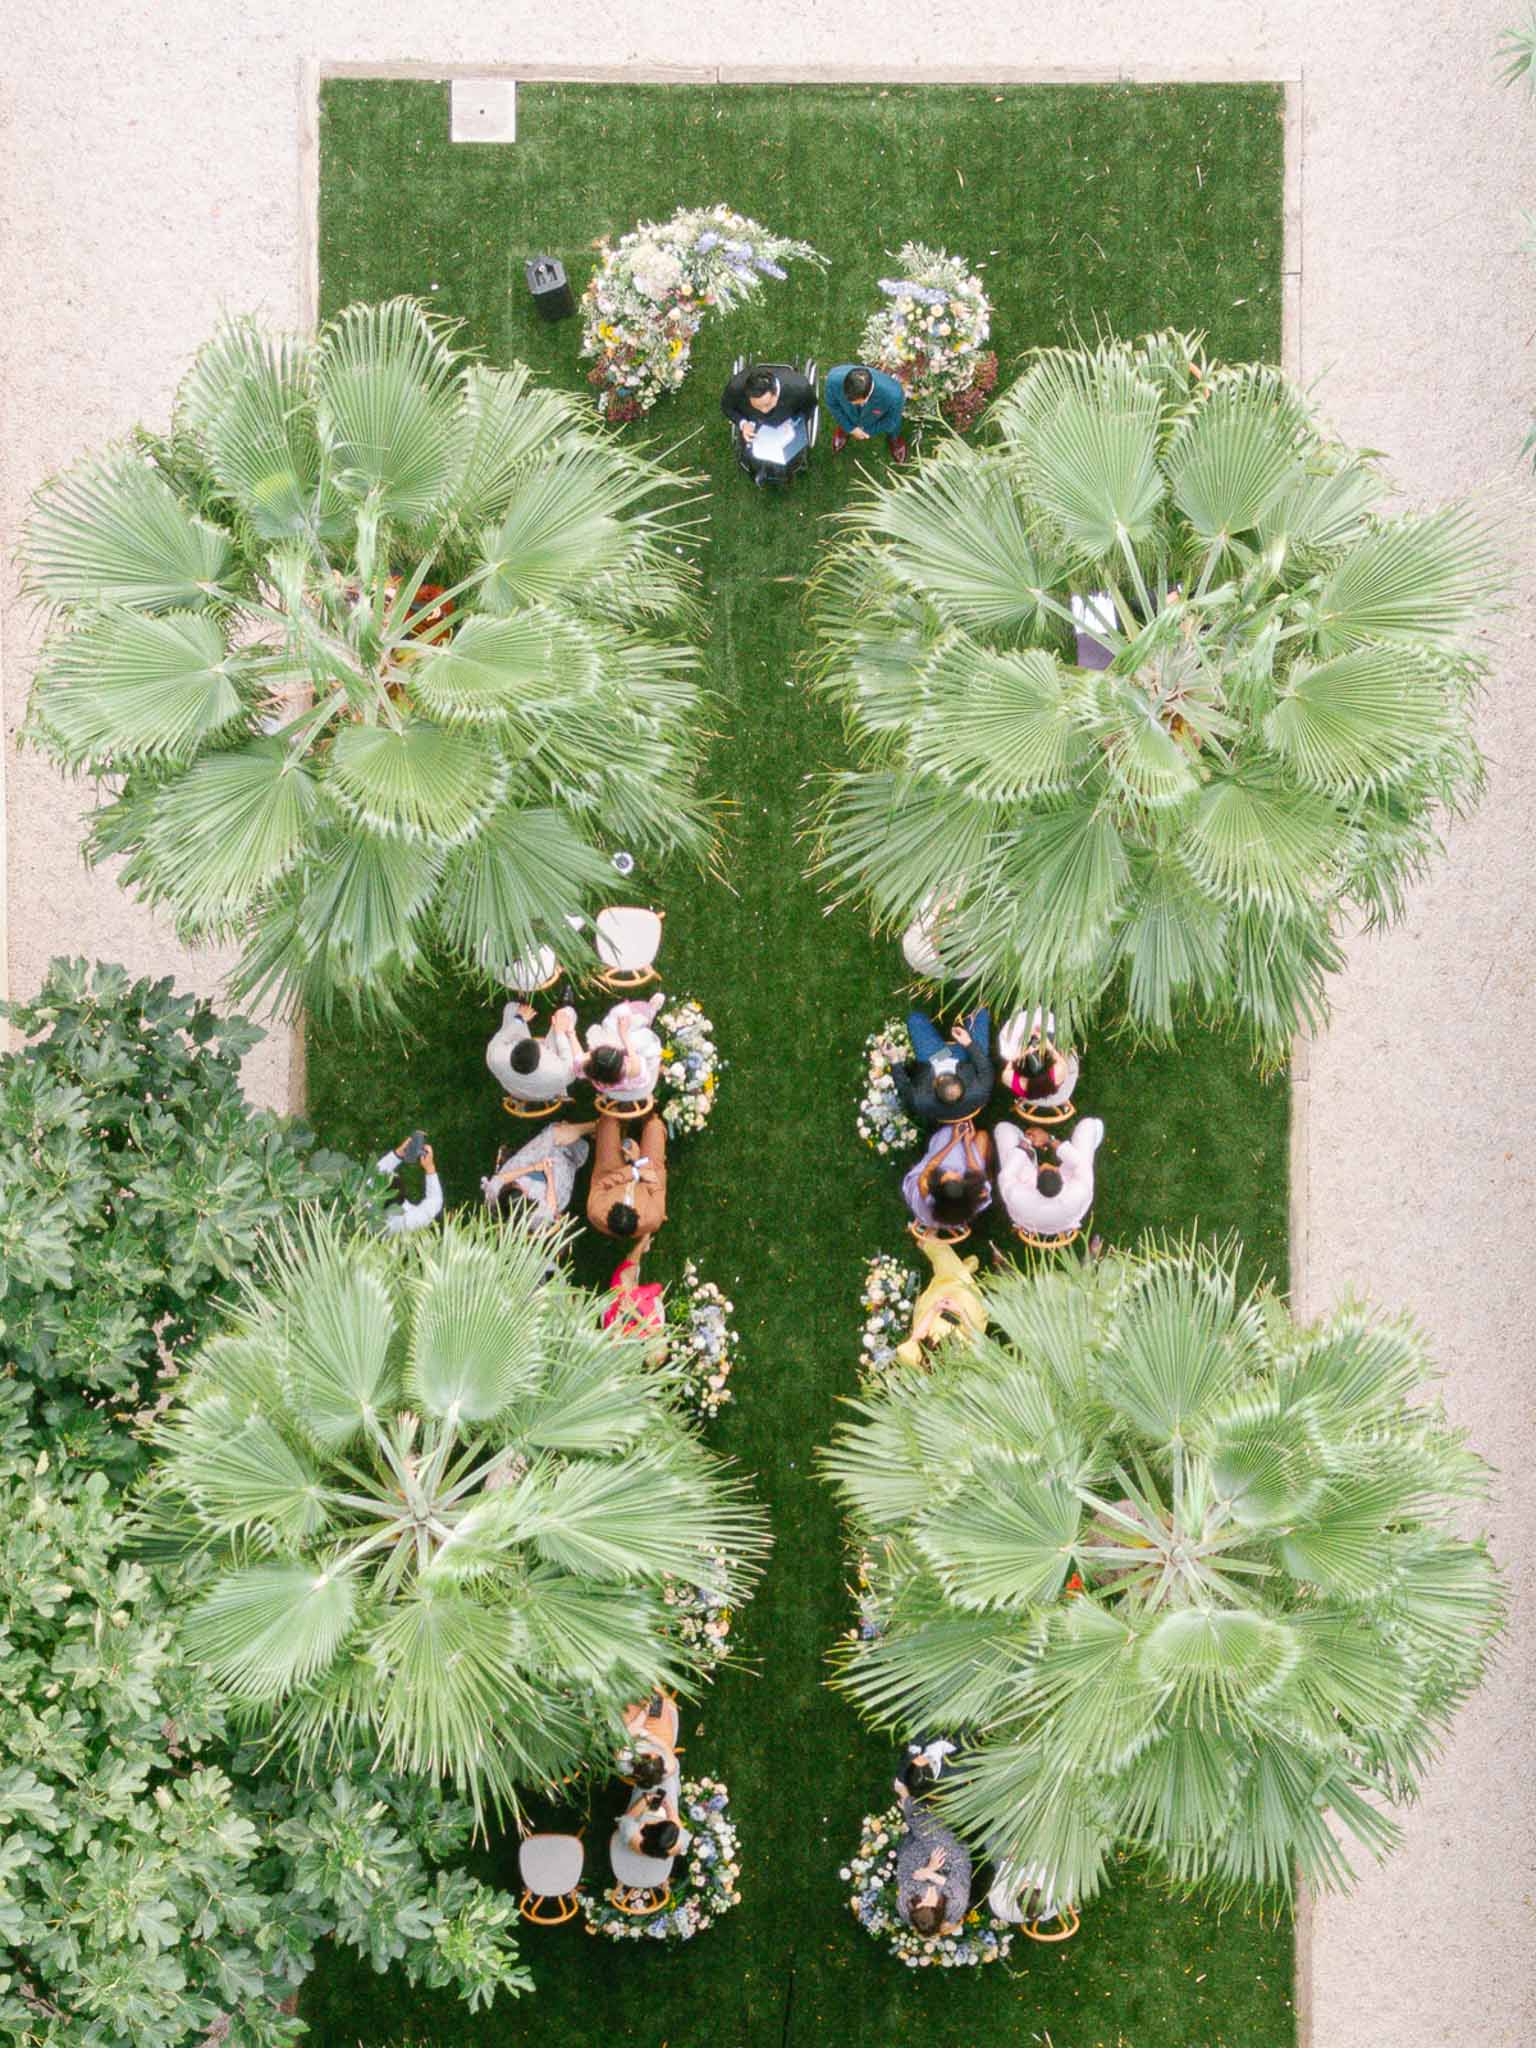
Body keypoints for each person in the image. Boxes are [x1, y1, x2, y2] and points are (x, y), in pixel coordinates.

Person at [994, 1116, 1104, 1237]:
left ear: (1036, 1179)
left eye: (1042, 1167)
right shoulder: (1079, 1190)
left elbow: (1007, 1174)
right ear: (1061, 1176)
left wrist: (1026, 1143)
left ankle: (1025, 1143)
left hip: (1027, 1214)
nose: (1045, 1164)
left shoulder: (1017, 1195)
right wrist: (1049, 1139)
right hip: (1067, 1215)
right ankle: (1093, 1135)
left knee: (1003, 1129)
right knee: (1089, 1124)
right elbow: (1080, 1163)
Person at [894, 1232, 988, 1368]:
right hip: (966, 1314)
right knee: (959, 1281)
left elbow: (917, 1336)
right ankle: (931, 1241)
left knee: (947, 1279)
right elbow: (974, 1335)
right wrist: (960, 1310)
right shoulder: (959, 1356)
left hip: (932, 1314)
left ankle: (930, 1241)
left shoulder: (916, 1359)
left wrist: (935, 1308)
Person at [893, 1778, 971, 1938]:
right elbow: (956, 1885)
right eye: (928, 1902)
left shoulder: (906, 1908)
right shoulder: (956, 1906)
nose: (923, 1899)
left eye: (919, 1903)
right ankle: (912, 1809)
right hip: (952, 1862)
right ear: (940, 1910)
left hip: (915, 1860)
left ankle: (912, 1811)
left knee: (924, 1837)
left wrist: (928, 1867)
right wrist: (930, 1873)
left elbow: (906, 1879)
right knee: (938, 1839)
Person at [481, 1120, 596, 1226]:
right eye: (522, 1191)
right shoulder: (535, 1216)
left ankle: (589, 1127)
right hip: (558, 1173)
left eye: (514, 1185)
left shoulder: (495, 1196)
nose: (521, 1187)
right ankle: (598, 1126)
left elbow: (499, 1179)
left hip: (527, 1164)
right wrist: (549, 1175)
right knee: (564, 1141)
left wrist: (533, 1168)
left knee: (556, 1133)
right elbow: (551, 1208)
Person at [893, 1008, 994, 1125]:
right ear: (961, 1080)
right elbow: (985, 1067)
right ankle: (972, 1018)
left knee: (915, 1019)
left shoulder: (919, 1100)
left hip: (934, 1058)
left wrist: (894, 1060)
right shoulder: (981, 1089)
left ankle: (962, 1028)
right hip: (965, 1060)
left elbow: (902, 1086)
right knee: (980, 1013)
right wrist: (968, 1043)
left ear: (935, 1082)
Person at [719, 363, 816, 484]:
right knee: (752, 454)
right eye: (757, 406)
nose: (764, 411)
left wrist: (795, 423)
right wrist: (743, 424)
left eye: (768, 404)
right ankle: (760, 471)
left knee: (789, 455)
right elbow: (727, 407)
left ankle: (784, 473)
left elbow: (809, 408)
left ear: (776, 392)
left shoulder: (799, 387)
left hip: (786, 424)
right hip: (754, 425)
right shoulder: (736, 387)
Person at [901, 1118, 992, 1234]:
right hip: (952, 1216)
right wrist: (967, 1145)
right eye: (957, 1175)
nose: (954, 1172)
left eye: (944, 1175)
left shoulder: (925, 1190)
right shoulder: (978, 1195)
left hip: (935, 1214)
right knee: (982, 1137)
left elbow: (931, 1165)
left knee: (947, 1134)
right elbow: (978, 1174)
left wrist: (954, 1140)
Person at [587, 1111, 668, 1239]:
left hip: (611, 1174)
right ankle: (648, 1115)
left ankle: (619, 1111)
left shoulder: (596, 1210)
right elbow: (657, 1188)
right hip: (647, 1176)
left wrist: (632, 1172)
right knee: (655, 1127)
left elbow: (601, 1184)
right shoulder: (654, 1217)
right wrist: (639, 1166)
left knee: (608, 1121)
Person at [485, 999, 581, 1105]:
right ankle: (565, 1006)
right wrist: (559, 1032)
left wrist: (519, 1019)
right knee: (568, 1013)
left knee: (511, 1008)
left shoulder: (495, 1057)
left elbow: (501, 1037)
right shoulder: (558, 1071)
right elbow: (570, 1060)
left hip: (517, 1092)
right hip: (545, 1094)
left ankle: (523, 999)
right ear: (541, 1058)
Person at [585, 992, 666, 1106]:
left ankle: (636, 1015)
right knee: (642, 1038)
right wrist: (623, 1034)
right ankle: (650, 1012)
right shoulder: (633, 1069)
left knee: (608, 1032)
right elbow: (630, 1049)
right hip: (643, 1088)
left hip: (614, 1093)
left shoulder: (594, 1072)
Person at [825, 362, 909, 463]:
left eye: (857, 402)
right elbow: (833, 405)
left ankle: (894, 440)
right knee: (846, 418)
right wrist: (850, 428)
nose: (851, 403)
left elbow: (892, 420)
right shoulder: (833, 380)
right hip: (849, 416)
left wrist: (867, 432)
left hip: (879, 419)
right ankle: (844, 429)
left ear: (868, 394)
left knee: (893, 427)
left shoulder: (894, 395)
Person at [999, 1006, 1075, 1106]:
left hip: (1032, 1097)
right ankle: (1041, 1009)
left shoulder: (1009, 1078)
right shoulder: (1058, 1073)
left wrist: (1023, 1052)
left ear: (1022, 1071)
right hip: (1060, 1094)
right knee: (1057, 1040)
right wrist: (1047, 1044)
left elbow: (1009, 1061)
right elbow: (1061, 1060)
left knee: (1009, 1040)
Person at [376, 1137, 443, 1236]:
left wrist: (398, 1154)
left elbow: (373, 1178)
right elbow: (435, 1201)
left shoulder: (368, 1209)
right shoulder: (407, 1222)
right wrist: (429, 1166)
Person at [618, 1784, 692, 1859]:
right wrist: (668, 1807)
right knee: (670, 1784)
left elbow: (627, 1819)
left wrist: (646, 1798)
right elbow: (678, 1826)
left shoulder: (632, 1834)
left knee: (649, 1786)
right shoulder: (680, 1843)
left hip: (636, 1833)